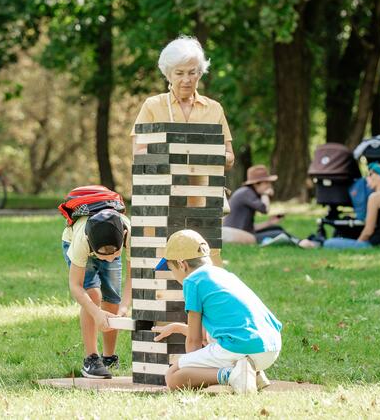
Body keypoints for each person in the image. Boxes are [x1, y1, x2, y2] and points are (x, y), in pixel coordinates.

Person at [152, 230, 282, 393]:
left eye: (171, 269)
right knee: (210, 344)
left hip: (243, 346)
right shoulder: (223, 275)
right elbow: (207, 335)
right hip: (270, 346)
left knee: (174, 375)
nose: (174, 275)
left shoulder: (192, 281)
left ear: (182, 264)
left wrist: (191, 369)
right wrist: (178, 328)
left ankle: (233, 375)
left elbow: (194, 340)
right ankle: (252, 373)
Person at [131, 36, 235, 170]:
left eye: (192, 73)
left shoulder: (214, 108)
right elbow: (138, 154)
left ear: (200, 74)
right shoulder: (152, 105)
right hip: (164, 189)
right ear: (168, 75)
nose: (186, 80)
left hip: (206, 190)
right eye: (179, 73)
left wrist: (208, 156)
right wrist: (175, 155)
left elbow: (230, 158)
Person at [62, 208, 132, 379]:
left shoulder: (130, 234)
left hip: (103, 244)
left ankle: (108, 358)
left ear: (123, 235)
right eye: (103, 256)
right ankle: (91, 359)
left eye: (115, 254)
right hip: (76, 243)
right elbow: (75, 286)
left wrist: (123, 309)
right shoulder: (81, 241)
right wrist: (96, 312)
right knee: (92, 295)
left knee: (113, 298)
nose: (108, 259)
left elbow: (133, 277)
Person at [222, 165, 315, 248]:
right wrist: (265, 194)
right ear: (256, 183)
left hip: (244, 232)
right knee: (280, 234)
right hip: (238, 235)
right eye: (266, 183)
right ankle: (301, 243)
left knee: (278, 228)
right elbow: (264, 209)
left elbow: (249, 227)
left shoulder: (247, 192)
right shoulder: (246, 192)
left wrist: (270, 222)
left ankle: (301, 242)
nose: (269, 186)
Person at [322, 162, 380, 249]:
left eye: (370, 174)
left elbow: (369, 230)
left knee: (329, 243)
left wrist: (357, 244)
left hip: (378, 244)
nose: (367, 178)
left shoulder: (375, 197)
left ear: (379, 177)